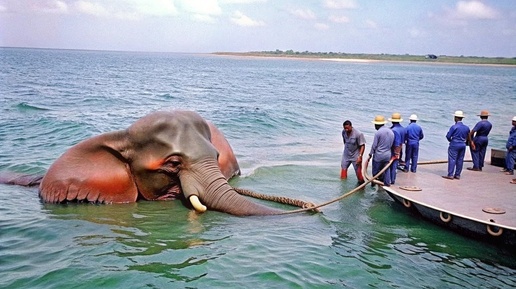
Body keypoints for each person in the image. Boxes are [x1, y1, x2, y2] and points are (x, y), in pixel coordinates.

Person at [443, 111, 470, 180]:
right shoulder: (466, 128)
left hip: (455, 143)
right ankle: (457, 174)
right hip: (463, 144)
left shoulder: (454, 127)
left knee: (452, 159)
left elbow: (448, 136)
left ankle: (450, 174)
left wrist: (451, 141)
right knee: (460, 159)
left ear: (455, 118)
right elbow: (468, 137)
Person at [368, 115, 394, 186]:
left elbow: (374, 145)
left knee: (375, 171)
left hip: (379, 155)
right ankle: (387, 183)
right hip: (388, 155)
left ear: (377, 124)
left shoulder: (378, 133)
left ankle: (373, 183)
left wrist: (370, 154)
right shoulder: (391, 131)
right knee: (386, 169)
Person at [389, 112, 405, 184]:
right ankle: (393, 180)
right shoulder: (403, 129)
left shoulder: (393, 130)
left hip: (393, 149)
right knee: (395, 166)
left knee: (390, 166)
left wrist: (395, 153)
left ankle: (390, 180)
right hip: (400, 149)